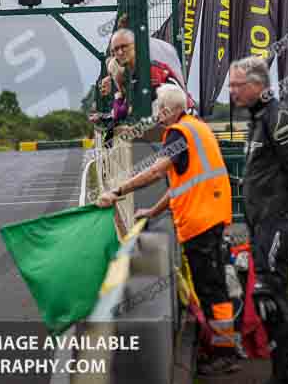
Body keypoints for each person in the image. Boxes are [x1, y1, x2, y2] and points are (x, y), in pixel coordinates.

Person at [97, 84, 239, 376]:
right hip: (207, 218)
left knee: (211, 288)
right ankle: (220, 347)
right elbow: (179, 186)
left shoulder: (179, 134)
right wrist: (152, 211)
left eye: (159, 108)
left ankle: (225, 353)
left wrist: (119, 190)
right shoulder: (194, 128)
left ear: (170, 110)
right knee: (210, 285)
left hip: (201, 222)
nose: (156, 113)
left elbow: (156, 171)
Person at [229, 56, 288, 384]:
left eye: (237, 85)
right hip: (262, 223)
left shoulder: (279, 115)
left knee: (268, 292)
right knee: (266, 295)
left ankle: (287, 374)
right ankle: (283, 372)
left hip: (281, 220)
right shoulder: (257, 118)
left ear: (257, 85)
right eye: (231, 85)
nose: (232, 92)